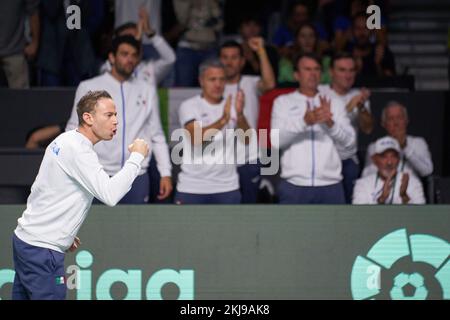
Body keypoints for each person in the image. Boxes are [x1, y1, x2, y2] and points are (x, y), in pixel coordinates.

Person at [12, 90, 149, 300]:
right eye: (109, 115)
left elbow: (45, 191)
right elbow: (110, 195)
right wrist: (137, 157)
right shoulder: (79, 151)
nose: (116, 121)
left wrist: (62, 230)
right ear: (88, 117)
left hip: (28, 241)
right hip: (42, 251)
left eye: (116, 115)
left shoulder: (65, 140)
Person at [66, 35, 172, 204]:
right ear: (112, 57)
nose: (129, 59)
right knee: (96, 229)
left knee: (134, 230)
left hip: (136, 174)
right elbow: (74, 129)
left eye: (134, 55)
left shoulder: (146, 89)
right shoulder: (89, 87)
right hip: (96, 174)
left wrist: (165, 172)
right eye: (124, 54)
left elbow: (156, 134)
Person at [270, 52, 356, 204]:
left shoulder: (335, 103)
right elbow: (275, 141)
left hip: (331, 186)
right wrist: (304, 122)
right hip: (293, 185)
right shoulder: (282, 102)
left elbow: (351, 145)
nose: (313, 74)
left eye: (316, 69)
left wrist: (331, 124)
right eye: (307, 69)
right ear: (296, 75)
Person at [174, 59, 250, 204]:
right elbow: (196, 138)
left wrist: (240, 115)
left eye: (222, 79)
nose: (218, 84)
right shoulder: (189, 105)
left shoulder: (233, 107)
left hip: (227, 187)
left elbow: (246, 140)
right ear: (201, 81)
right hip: (192, 186)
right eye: (212, 79)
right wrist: (223, 120)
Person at [219, 39, 275, 203]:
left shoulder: (250, 83)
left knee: (249, 207)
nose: (229, 62)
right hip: (220, 160)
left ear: (242, 61)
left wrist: (261, 51)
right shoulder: (213, 84)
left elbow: (270, 83)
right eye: (225, 57)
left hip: (249, 157)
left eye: (234, 57)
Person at [319, 52, 374, 203]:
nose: (348, 75)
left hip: (347, 158)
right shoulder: (320, 92)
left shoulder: (357, 95)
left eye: (351, 70)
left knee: (349, 204)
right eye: (342, 70)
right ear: (331, 72)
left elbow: (368, 129)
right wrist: (349, 107)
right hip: (323, 157)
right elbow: (324, 123)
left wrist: (362, 107)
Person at [99, 8, 176, 87]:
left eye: (136, 37)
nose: (133, 41)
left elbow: (170, 59)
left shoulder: (149, 69)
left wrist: (150, 33)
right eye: (128, 38)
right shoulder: (107, 66)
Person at [362, 101, 434, 179]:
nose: (396, 123)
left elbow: (427, 171)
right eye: (391, 119)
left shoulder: (418, 143)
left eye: (399, 118)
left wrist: (405, 147)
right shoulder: (374, 147)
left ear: (406, 121)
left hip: (410, 188)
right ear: (383, 124)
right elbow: (366, 177)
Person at [353, 136, 425, 204]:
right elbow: (359, 215)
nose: (389, 162)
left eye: (393, 156)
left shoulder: (413, 183)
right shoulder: (362, 184)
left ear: (399, 160)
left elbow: (422, 215)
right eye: (383, 157)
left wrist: (405, 197)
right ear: (374, 160)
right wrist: (381, 199)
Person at [0, 0, 40, 88]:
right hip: (14, 48)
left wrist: (34, 42)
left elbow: (33, 12)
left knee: (21, 97)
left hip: (15, 50)